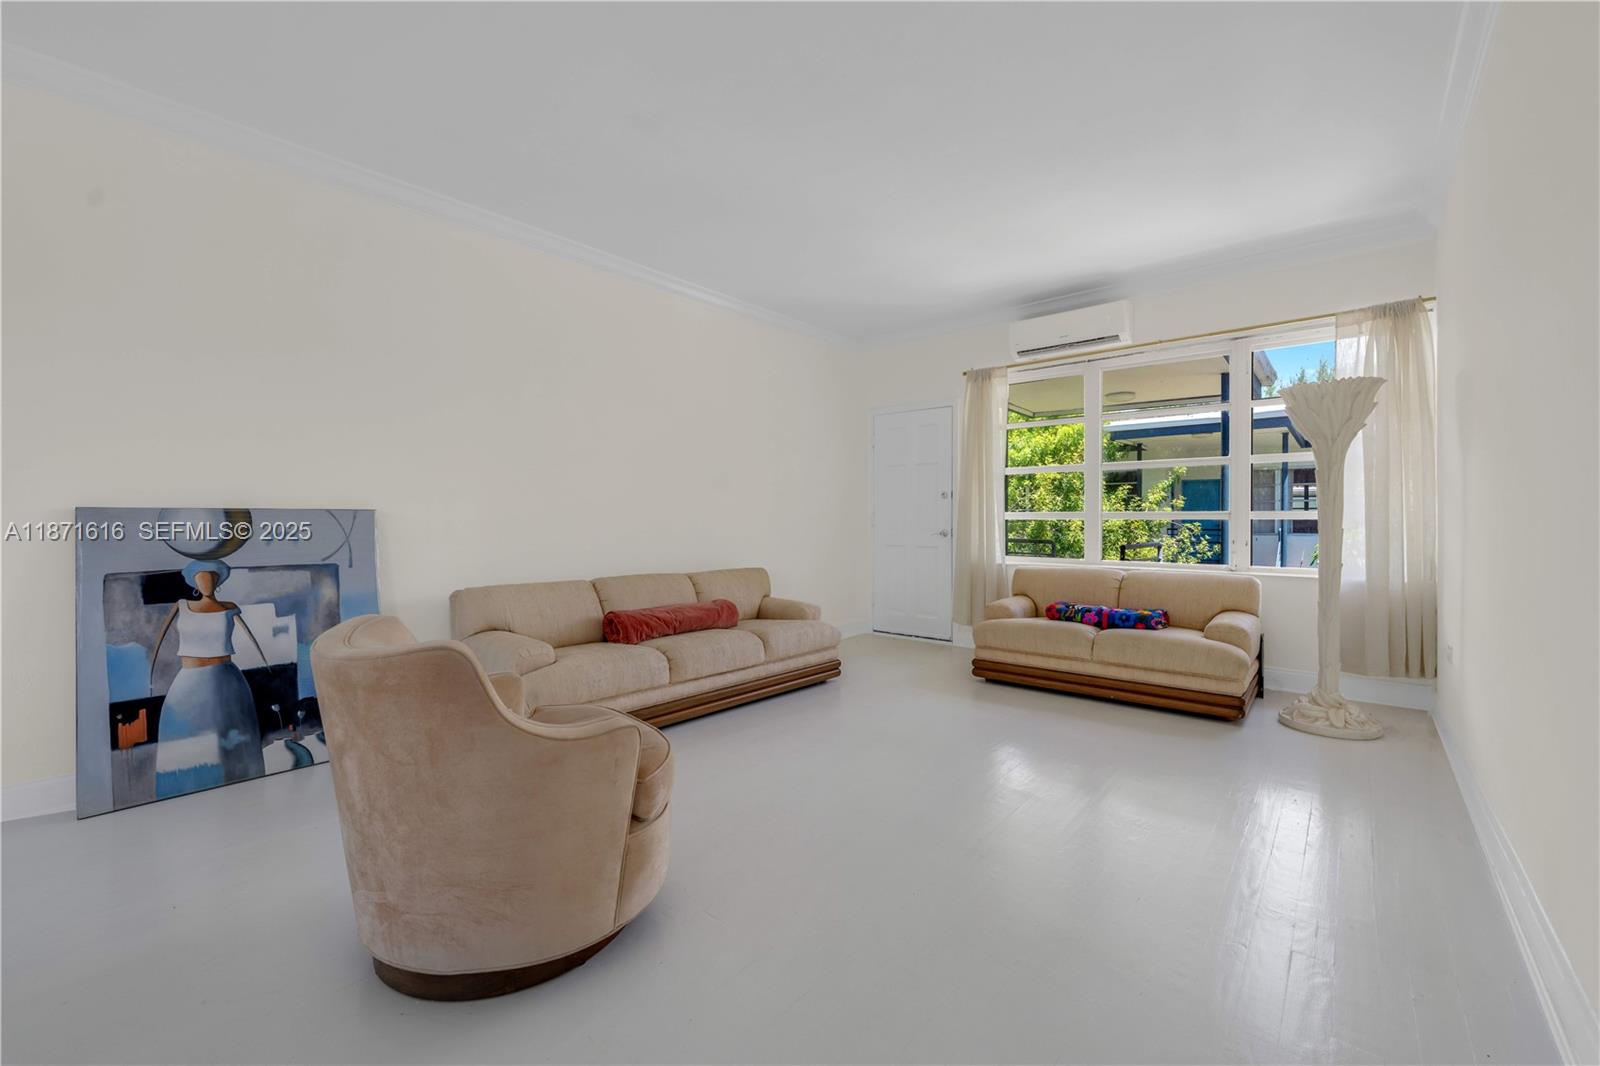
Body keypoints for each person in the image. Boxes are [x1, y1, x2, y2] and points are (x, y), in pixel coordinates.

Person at [147, 560, 267, 797]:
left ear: (218, 582)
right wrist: (151, 673)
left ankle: (242, 798)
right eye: (202, 578)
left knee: (231, 747)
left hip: (227, 684)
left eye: (211, 578)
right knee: (187, 746)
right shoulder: (181, 605)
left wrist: (265, 662)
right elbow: (158, 642)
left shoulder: (229, 607)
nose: (207, 583)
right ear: (194, 582)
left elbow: (253, 640)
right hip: (188, 686)